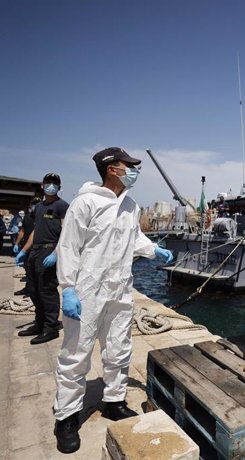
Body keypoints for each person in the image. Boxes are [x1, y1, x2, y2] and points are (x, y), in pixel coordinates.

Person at [52, 147, 173, 454]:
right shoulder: (85, 203)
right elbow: (68, 247)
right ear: (111, 169)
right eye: (128, 165)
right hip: (86, 291)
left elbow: (133, 238)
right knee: (76, 354)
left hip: (120, 288)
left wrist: (152, 250)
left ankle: (113, 401)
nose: (134, 170)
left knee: (119, 349)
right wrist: (67, 288)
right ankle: (66, 417)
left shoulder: (130, 205)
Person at [15, 173, 69, 344]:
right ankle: (39, 324)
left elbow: (67, 232)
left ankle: (51, 327)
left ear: (59, 187)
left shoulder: (62, 206)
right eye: (48, 183)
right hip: (35, 252)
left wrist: (56, 253)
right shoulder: (38, 207)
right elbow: (35, 231)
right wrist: (23, 250)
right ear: (42, 185)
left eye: (55, 183)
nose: (51, 186)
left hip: (50, 249)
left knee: (47, 290)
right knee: (33, 289)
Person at [13, 197, 41, 296]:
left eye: (38, 204)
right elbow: (22, 231)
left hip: (37, 248)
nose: (35, 206)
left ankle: (34, 290)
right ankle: (28, 288)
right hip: (25, 247)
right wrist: (16, 244)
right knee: (27, 269)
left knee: (36, 271)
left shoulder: (42, 216)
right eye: (34, 204)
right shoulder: (28, 216)